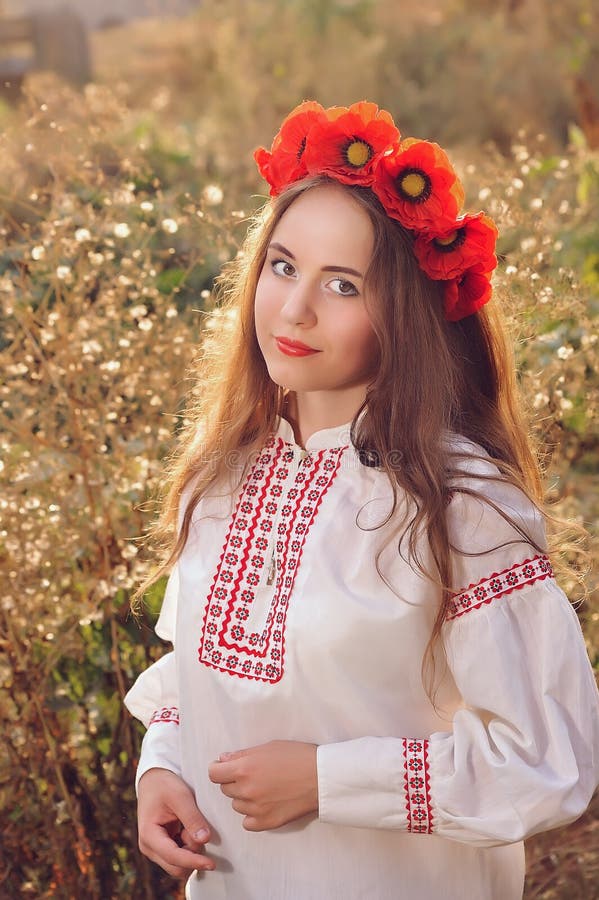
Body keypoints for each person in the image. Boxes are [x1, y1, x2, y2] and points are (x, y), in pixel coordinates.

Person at [124, 100, 599, 900]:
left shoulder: (460, 507)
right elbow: (197, 671)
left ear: (405, 316)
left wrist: (325, 781)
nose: (295, 309)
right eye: (282, 266)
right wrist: (162, 763)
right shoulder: (223, 473)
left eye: (341, 284)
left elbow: (546, 759)